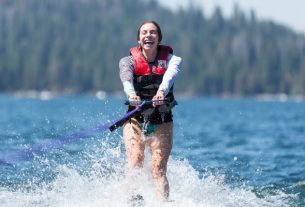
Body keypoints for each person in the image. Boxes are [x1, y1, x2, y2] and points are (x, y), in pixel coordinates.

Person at [119, 20, 182, 202]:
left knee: (158, 169)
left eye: (153, 32)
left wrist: (161, 91)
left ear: (159, 38)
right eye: (144, 33)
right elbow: (126, 79)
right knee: (135, 162)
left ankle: (163, 204)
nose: (148, 35)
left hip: (162, 121)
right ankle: (131, 201)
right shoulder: (127, 61)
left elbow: (170, 75)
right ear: (139, 39)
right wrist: (132, 94)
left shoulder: (173, 60)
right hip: (134, 121)